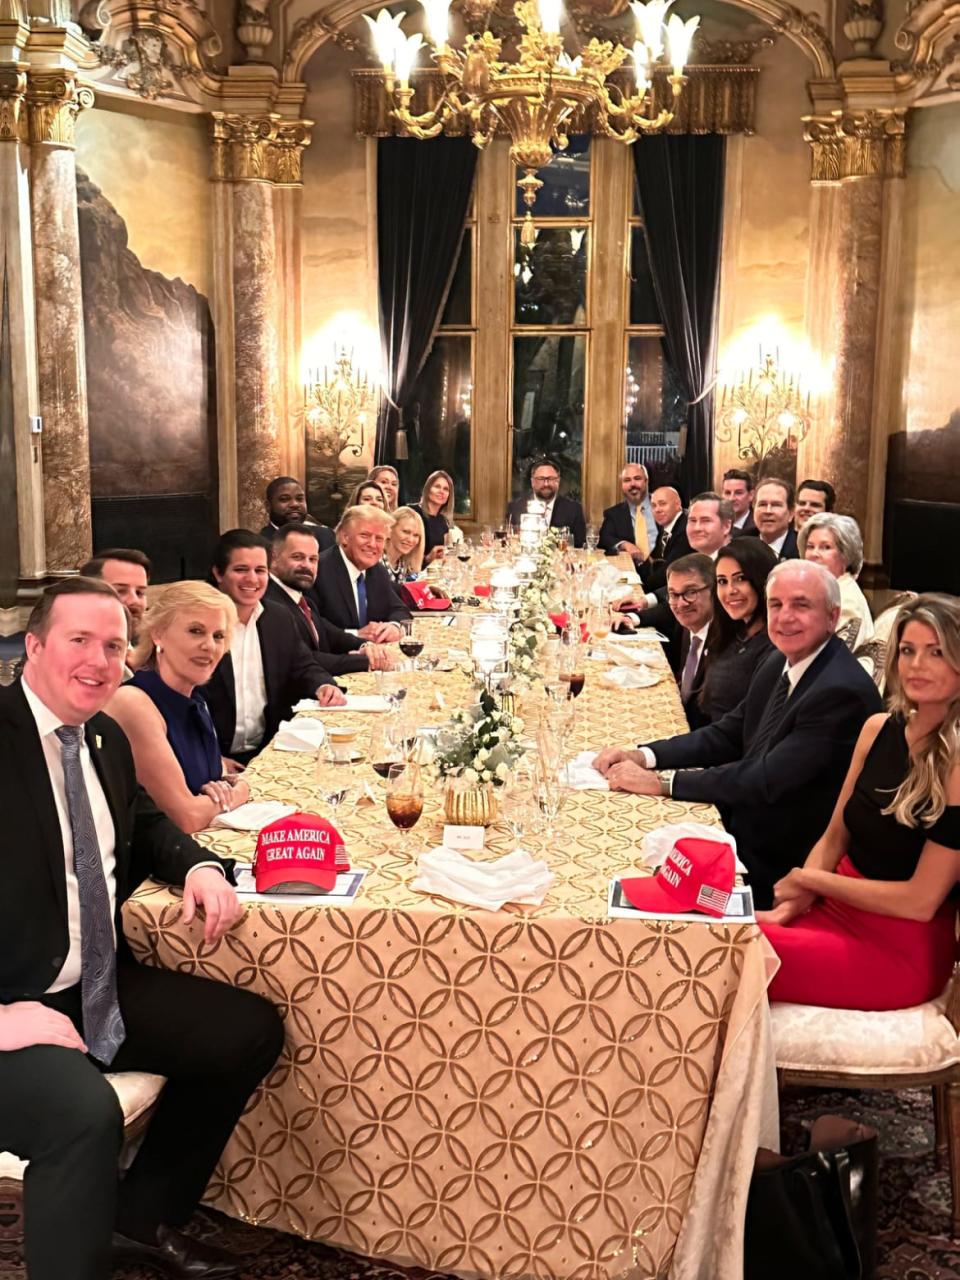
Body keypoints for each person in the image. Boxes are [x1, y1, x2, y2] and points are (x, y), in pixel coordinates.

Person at [0, 577, 284, 1280]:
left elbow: (147, 821)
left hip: (87, 984)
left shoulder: (99, 735)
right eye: (79, 641)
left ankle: (139, 1214)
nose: (100, 660)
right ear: (33, 646)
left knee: (244, 1032)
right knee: (81, 1116)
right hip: (9, 1004)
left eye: (113, 644)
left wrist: (199, 867)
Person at [594, 561, 883, 908]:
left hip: (777, 865)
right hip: (742, 826)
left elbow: (765, 779)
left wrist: (663, 783)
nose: (785, 616)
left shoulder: (840, 691)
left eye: (801, 605)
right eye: (776, 604)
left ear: (833, 617)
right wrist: (643, 755)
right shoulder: (781, 659)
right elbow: (728, 733)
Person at [758, 594, 960, 1011]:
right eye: (907, 650)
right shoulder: (878, 729)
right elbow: (834, 838)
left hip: (898, 946)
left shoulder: (957, 761)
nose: (916, 665)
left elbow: (921, 902)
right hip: (831, 910)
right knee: (708, 935)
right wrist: (795, 904)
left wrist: (813, 881)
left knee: (723, 958)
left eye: (936, 652)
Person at [105, 582, 250, 834]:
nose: (209, 646)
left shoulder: (195, 699)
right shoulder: (134, 703)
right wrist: (240, 792)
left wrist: (220, 789)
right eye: (196, 631)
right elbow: (186, 817)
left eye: (218, 636)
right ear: (158, 634)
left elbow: (211, 782)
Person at [205, 530, 345, 763]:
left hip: (269, 749)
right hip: (216, 756)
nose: (252, 579)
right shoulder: (201, 625)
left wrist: (323, 685)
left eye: (260, 570)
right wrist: (210, 759)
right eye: (241, 570)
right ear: (219, 573)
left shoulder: (277, 617)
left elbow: (303, 665)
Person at [264, 525, 394, 674]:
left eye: (313, 559)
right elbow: (302, 658)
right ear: (273, 558)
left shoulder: (301, 599)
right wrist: (365, 661)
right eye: (297, 557)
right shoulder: (269, 602)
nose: (307, 565)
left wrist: (366, 646)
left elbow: (330, 635)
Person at [698, 538, 777, 723]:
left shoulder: (774, 646)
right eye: (722, 581)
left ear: (763, 581)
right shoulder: (732, 631)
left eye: (740, 579)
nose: (730, 590)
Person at [311, 506, 411, 640]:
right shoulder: (318, 570)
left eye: (379, 539)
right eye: (365, 535)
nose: (372, 544)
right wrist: (355, 635)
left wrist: (394, 627)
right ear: (345, 537)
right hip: (336, 656)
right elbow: (311, 625)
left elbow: (399, 609)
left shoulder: (377, 571)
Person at [799, 511, 875, 651]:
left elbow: (828, 660)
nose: (814, 554)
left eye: (825, 547)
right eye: (810, 546)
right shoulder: (824, 592)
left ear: (845, 555)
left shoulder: (847, 602)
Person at [662, 554, 715, 729]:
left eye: (691, 592)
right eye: (673, 594)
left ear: (713, 590)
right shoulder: (688, 627)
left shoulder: (725, 642)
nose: (681, 603)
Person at [506, 457, 587, 548]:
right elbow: (509, 544)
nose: (546, 484)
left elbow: (580, 547)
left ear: (558, 481)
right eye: (541, 479)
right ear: (532, 482)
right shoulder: (515, 508)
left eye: (551, 479)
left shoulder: (573, 510)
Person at [79, 549, 151, 648]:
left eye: (139, 593)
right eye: (120, 591)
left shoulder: (151, 649)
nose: (134, 601)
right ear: (87, 593)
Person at [599, 462, 658, 561]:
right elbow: (604, 539)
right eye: (627, 480)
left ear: (646, 481)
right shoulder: (613, 514)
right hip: (630, 570)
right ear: (622, 485)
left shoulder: (663, 506)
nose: (633, 484)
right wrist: (624, 544)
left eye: (637, 478)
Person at [259, 476, 335, 550]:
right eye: (284, 499)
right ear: (268, 506)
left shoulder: (326, 536)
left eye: (299, 499)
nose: (295, 504)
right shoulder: (260, 545)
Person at [642, 486, 691, 592]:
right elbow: (655, 559)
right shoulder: (666, 524)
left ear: (678, 504)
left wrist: (640, 588)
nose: (657, 510)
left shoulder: (686, 529)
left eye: (662, 504)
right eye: (653, 506)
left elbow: (668, 572)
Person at [411, 470, 456, 564]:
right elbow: (404, 557)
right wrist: (427, 558)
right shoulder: (412, 513)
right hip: (412, 575)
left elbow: (445, 552)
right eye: (437, 486)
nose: (441, 492)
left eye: (446, 489)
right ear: (427, 489)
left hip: (433, 573)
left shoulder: (442, 521)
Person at [754, 477, 799, 560]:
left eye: (776, 505)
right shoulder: (738, 546)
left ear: (791, 513)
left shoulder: (802, 549)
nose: (768, 511)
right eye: (762, 504)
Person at [384, 505, 426, 584]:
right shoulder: (375, 562)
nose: (411, 540)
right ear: (389, 530)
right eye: (406, 532)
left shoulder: (403, 565)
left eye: (416, 535)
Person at [721, 468, 757, 535]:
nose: (731, 498)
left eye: (738, 493)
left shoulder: (758, 527)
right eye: (727, 493)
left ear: (751, 495)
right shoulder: (716, 523)